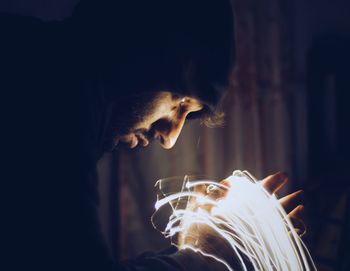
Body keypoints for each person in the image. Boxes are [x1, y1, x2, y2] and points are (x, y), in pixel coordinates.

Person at [1, 0, 305, 270]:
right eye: (179, 101)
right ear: (142, 53)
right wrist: (216, 254)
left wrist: (200, 253)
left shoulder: (48, 66)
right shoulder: (52, 94)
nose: (170, 137)